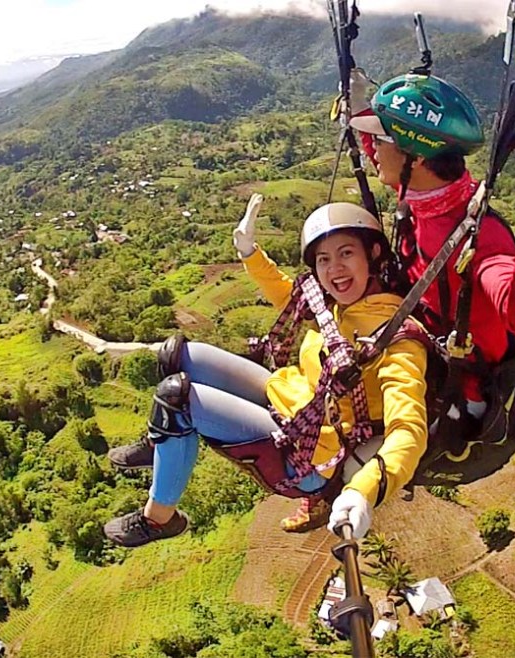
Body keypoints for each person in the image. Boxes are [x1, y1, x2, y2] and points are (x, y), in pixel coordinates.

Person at [102, 195, 429, 547]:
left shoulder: (395, 337)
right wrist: (249, 252)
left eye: (346, 253)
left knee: (176, 399)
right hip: (291, 399)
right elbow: (289, 296)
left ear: (373, 254)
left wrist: (364, 490)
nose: (334, 269)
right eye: (324, 259)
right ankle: (160, 445)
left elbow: (408, 429)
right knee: (179, 355)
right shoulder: (340, 303)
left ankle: (159, 518)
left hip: (312, 452)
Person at [347, 69, 515, 433]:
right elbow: (385, 155)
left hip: (458, 390)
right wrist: (359, 106)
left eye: (380, 140)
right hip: (419, 346)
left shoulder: (479, 238)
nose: (372, 149)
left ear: (416, 158)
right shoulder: (424, 193)